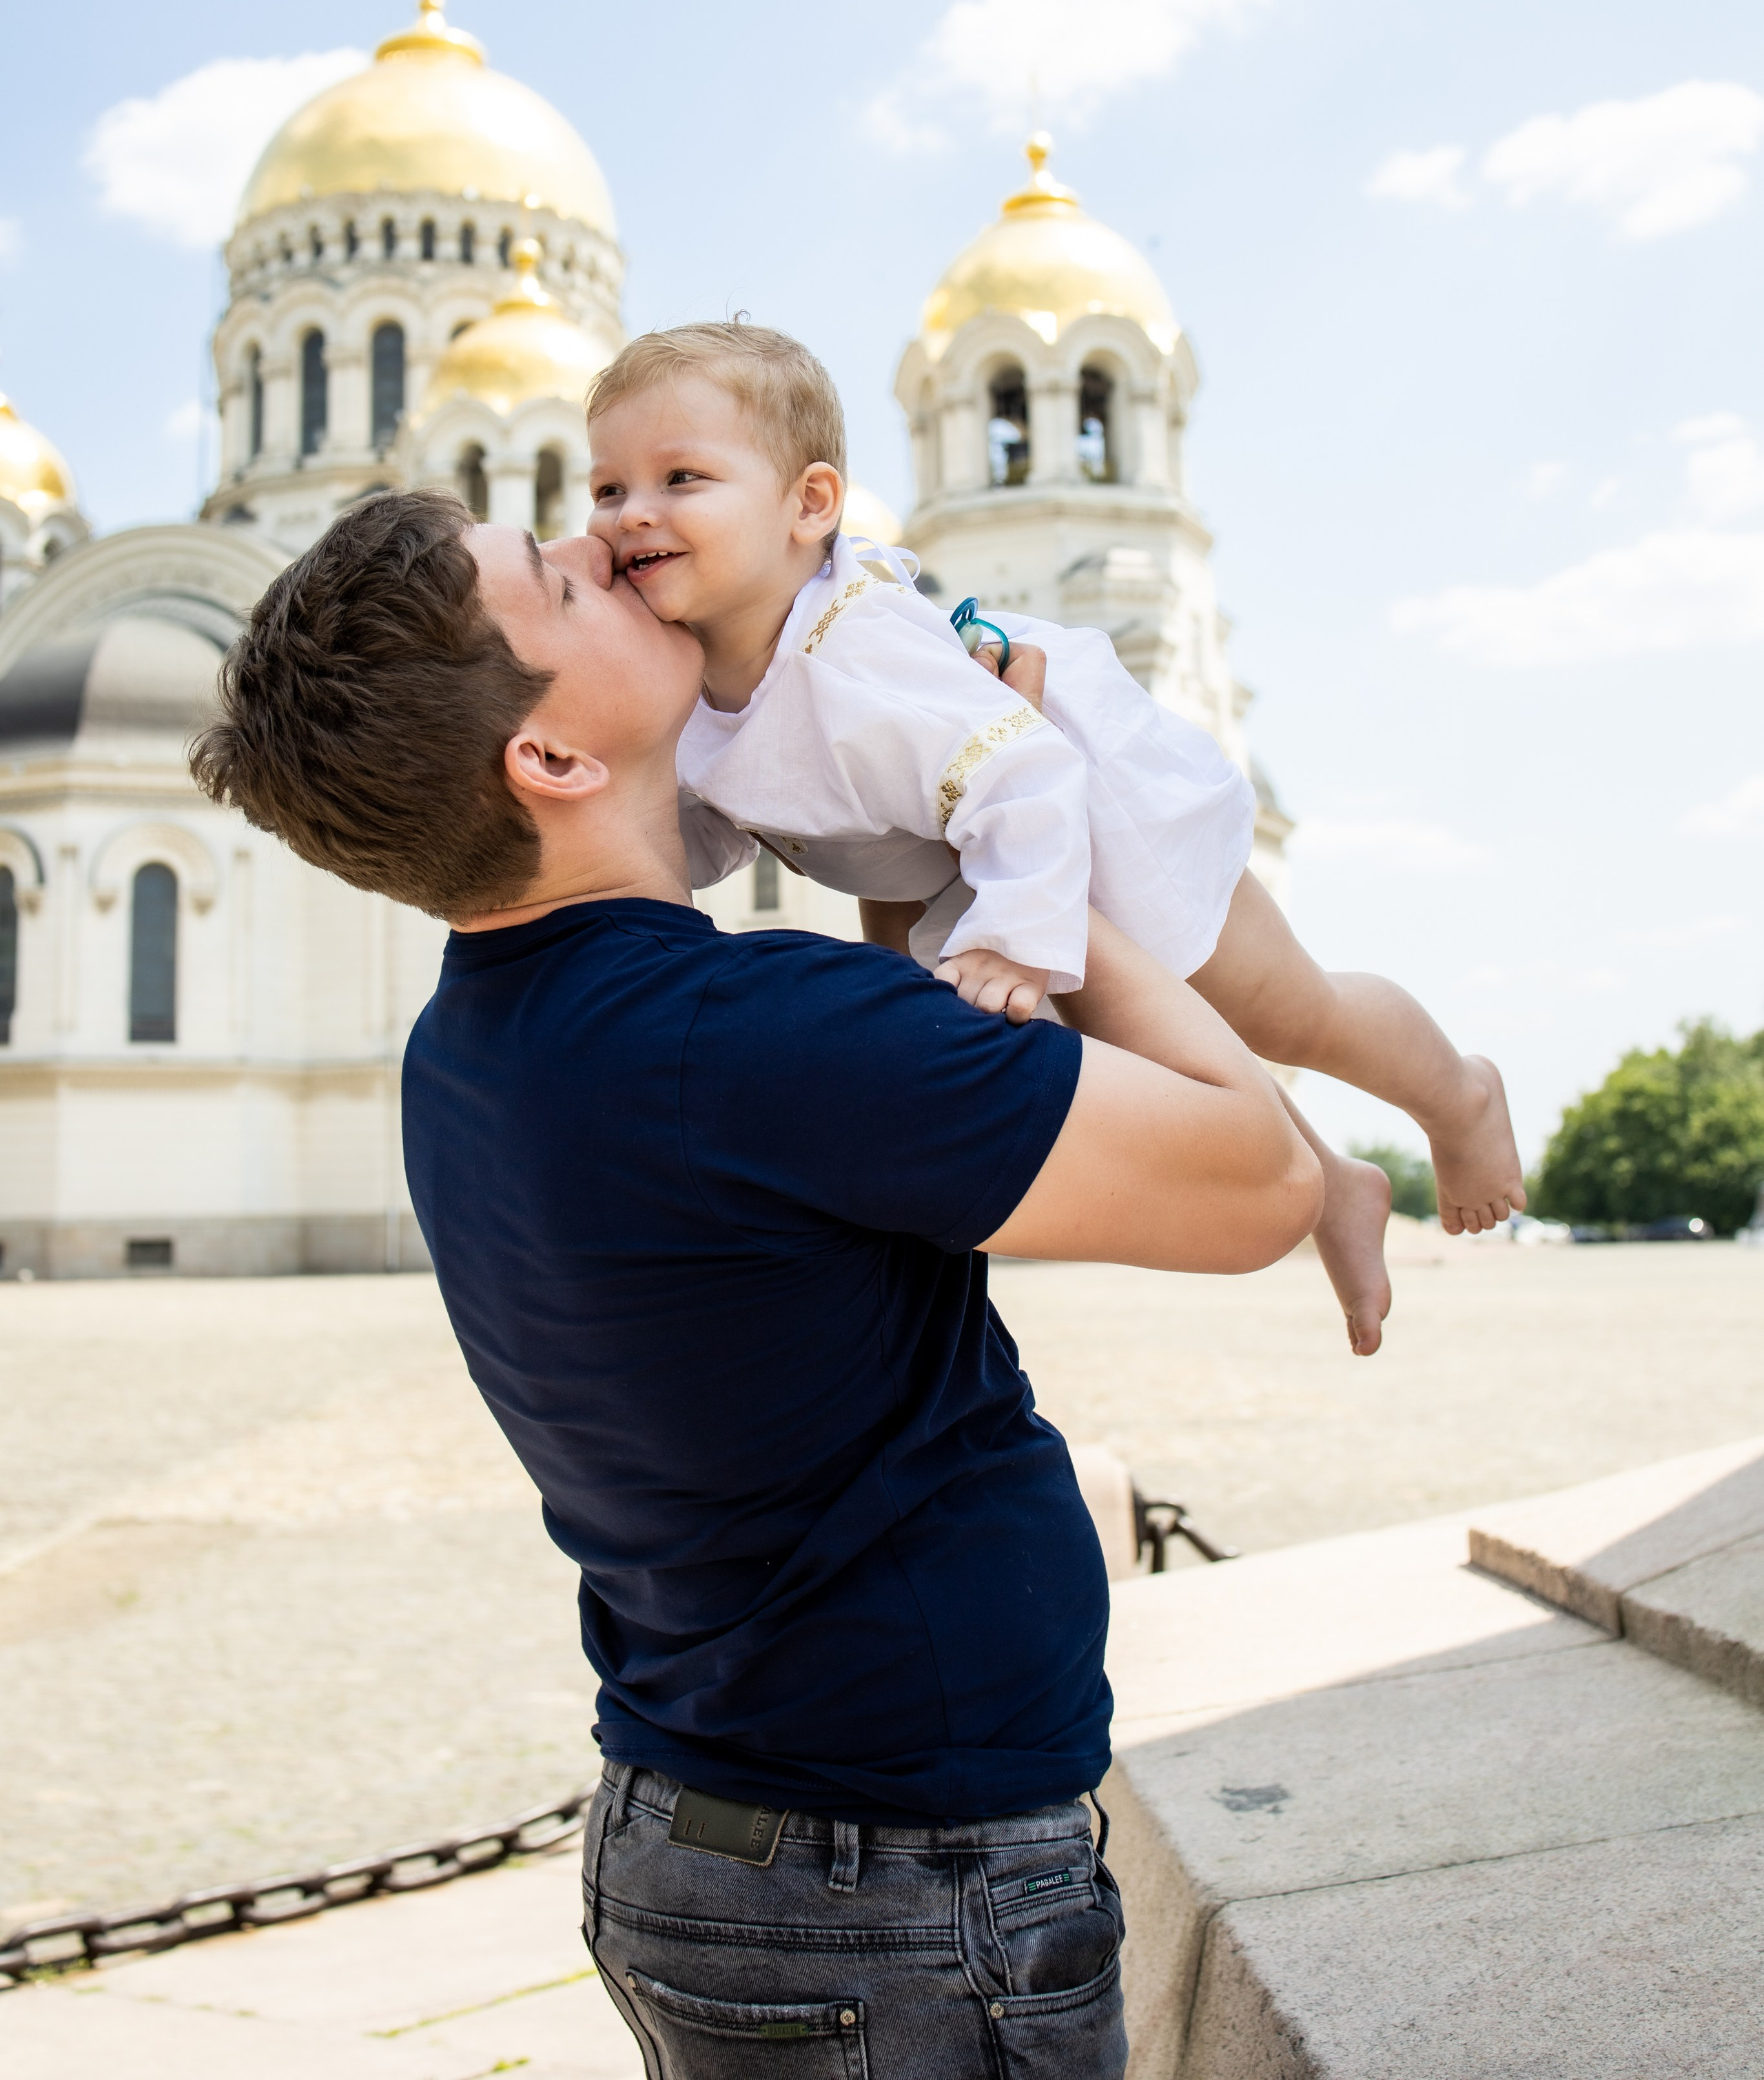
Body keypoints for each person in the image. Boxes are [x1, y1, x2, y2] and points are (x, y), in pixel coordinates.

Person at [190, 486, 1321, 2080]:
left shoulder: (472, 1046)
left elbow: (892, 1131)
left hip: (710, 1841)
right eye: (557, 586)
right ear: (552, 758)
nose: (602, 549)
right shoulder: (746, 1037)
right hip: (900, 1895)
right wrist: (1032, 812)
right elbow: (1260, 1174)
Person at [584, 323, 1527, 1362]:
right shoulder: (689, 666)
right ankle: (1336, 1188)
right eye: (608, 489)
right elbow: (720, 814)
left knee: (1285, 1009)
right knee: (1147, 1046)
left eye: (680, 477)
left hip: (1095, 810)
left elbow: (1028, 770)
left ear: (811, 506)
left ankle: (1457, 1091)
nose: (634, 515)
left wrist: (1017, 940)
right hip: (959, 857)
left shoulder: (857, 652)